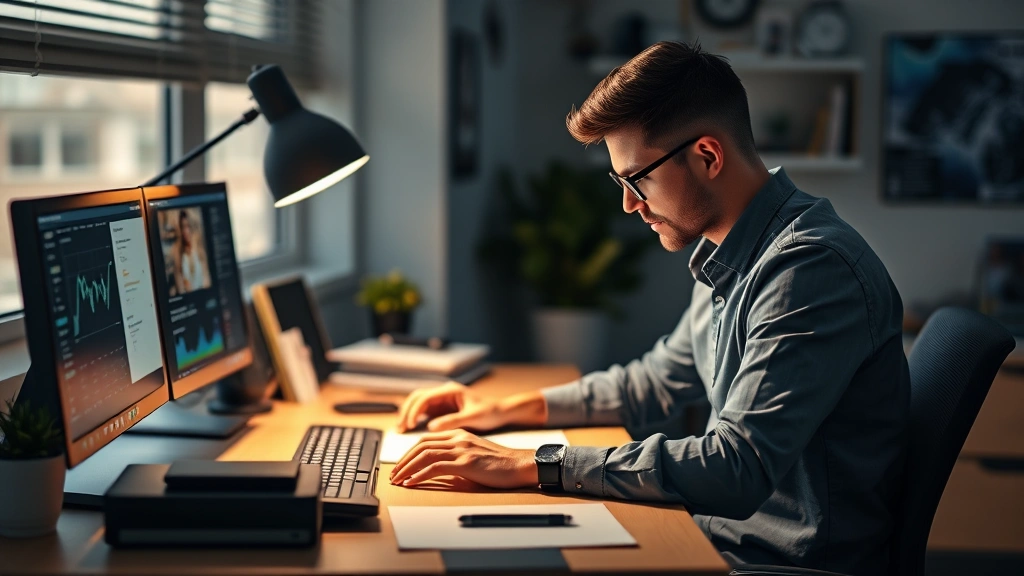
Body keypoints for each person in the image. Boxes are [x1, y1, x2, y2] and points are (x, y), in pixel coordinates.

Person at [389, 41, 909, 575]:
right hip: (714, 539)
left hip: (775, 564)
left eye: (637, 179)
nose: (629, 204)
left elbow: (737, 467)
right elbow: (652, 382)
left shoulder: (809, 269)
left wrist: (533, 462)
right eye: (620, 182)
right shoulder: (727, 254)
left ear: (707, 155)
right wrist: (501, 411)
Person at [172, 209, 209, 294]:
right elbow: (180, 286)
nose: (185, 231)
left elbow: (206, 278)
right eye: (182, 227)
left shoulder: (199, 248)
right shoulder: (178, 252)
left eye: (187, 226)